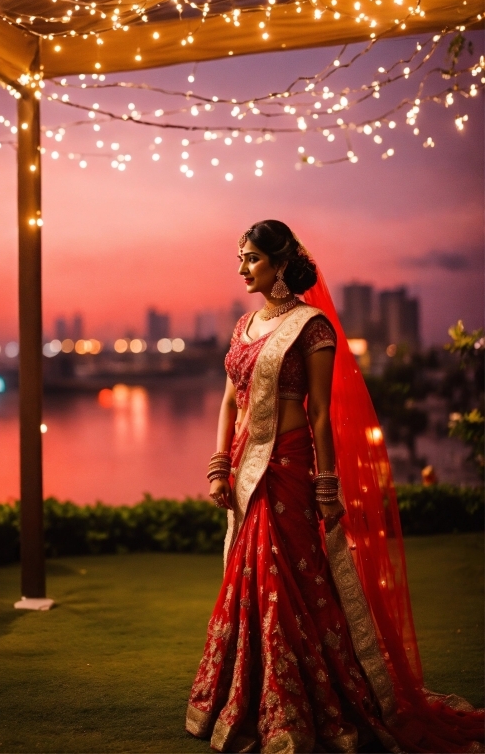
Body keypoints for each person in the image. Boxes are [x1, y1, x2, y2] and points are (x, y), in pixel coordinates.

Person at [186, 220, 483, 754]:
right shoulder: (243, 325)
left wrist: (327, 486)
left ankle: (306, 704)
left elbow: (321, 413)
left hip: (290, 467)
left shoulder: (312, 326)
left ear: (280, 264)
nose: (241, 268)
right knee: (249, 579)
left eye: (251, 258)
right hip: (245, 466)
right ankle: (250, 701)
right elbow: (231, 400)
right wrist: (217, 465)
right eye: (240, 257)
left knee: (289, 581)